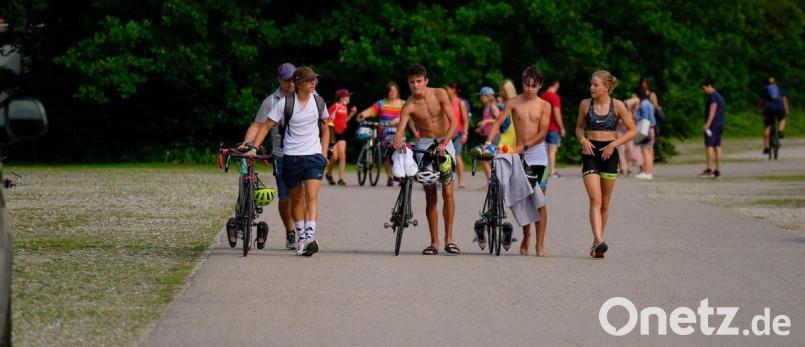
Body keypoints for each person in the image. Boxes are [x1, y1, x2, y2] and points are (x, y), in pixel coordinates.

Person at [258, 66, 330, 256]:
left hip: (314, 156)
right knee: (296, 198)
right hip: (291, 156)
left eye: (315, 79)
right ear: (299, 83)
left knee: (311, 197)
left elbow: (326, 128)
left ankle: (310, 238)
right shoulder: (285, 103)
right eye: (309, 80)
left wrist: (323, 154)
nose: (313, 83)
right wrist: (253, 146)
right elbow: (266, 126)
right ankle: (301, 237)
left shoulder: (319, 101)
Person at [393, 64, 460, 255]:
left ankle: (449, 239)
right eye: (412, 82)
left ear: (426, 81)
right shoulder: (409, 105)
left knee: (448, 193)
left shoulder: (439, 94)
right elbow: (401, 130)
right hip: (424, 146)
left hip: (444, 143)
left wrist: (444, 142)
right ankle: (434, 242)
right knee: (430, 196)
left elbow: (454, 122)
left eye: (419, 81)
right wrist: (398, 139)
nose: (415, 85)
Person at [486, 66, 551, 257]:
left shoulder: (545, 105)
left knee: (539, 201)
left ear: (539, 85)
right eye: (526, 84)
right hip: (519, 155)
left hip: (538, 156)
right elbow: (498, 123)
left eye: (533, 85)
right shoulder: (514, 102)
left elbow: (543, 133)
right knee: (523, 198)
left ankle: (540, 244)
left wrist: (524, 147)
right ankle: (526, 235)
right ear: (522, 82)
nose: (529, 88)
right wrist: (488, 143)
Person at [575, 70, 636, 258]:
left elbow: (632, 130)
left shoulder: (617, 106)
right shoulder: (585, 104)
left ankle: (596, 244)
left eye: (595, 85)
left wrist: (614, 144)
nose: (591, 88)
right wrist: (583, 140)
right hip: (590, 153)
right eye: (591, 84)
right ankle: (600, 240)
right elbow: (578, 128)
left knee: (605, 203)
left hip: (610, 153)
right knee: (595, 199)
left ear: (606, 87)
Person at [240, 62, 297, 250]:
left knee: (302, 196)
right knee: (285, 197)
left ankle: (305, 232)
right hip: (281, 155)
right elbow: (258, 125)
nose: (290, 84)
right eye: (286, 80)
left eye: (292, 79)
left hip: (304, 153)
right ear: (279, 80)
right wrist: (248, 144)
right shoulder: (271, 101)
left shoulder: (308, 96)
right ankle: (290, 233)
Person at [357, 82, 405, 186]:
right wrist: (362, 115)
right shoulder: (381, 103)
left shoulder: (403, 104)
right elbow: (370, 111)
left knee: (399, 153)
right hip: (384, 133)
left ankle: (400, 175)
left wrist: (398, 120)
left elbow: (410, 116)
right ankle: (390, 176)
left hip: (399, 133)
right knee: (386, 154)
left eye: (394, 90)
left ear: (398, 92)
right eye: (390, 91)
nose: (392, 93)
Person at [325, 89, 357, 186]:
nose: (349, 98)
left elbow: (344, 121)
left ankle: (341, 178)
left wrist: (351, 114)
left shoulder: (345, 107)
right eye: (347, 96)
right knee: (334, 157)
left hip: (341, 133)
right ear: (342, 97)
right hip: (333, 133)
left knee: (342, 155)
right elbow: (328, 119)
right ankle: (329, 174)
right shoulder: (335, 106)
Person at [540, 78, 566, 178]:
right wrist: (562, 127)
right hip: (553, 128)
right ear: (556, 84)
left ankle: (544, 171)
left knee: (544, 150)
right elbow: (556, 113)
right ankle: (552, 172)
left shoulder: (542, 96)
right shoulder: (554, 96)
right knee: (552, 151)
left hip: (543, 127)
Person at [445, 82, 469, 189]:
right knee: (445, 157)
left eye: (447, 89)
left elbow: (465, 119)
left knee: (457, 156)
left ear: (453, 89)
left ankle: (461, 180)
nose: (445, 92)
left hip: (458, 133)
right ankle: (446, 178)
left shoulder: (460, 102)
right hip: (446, 133)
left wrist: (465, 133)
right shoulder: (445, 102)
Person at [699, 80, 725, 179]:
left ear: (710, 86)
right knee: (717, 147)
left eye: (704, 88)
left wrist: (707, 124)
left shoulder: (713, 96)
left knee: (709, 146)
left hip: (713, 125)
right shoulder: (719, 96)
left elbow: (713, 109)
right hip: (720, 123)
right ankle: (717, 171)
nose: (704, 90)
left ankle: (709, 169)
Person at [474, 86, 499, 181]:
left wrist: (486, 121)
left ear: (487, 96)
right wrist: (481, 128)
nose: (480, 98)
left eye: (482, 96)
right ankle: (491, 182)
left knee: (484, 159)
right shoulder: (486, 107)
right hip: (487, 136)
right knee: (484, 159)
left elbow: (499, 119)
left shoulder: (493, 106)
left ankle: (492, 182)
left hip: (494, 136)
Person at [759, 76, 789, 154]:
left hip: (769, 109)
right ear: (776, 83)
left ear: (767, 84)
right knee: (782, 119)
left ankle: (766, 148)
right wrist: (786, 110)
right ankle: (780, 131)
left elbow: (761, 102)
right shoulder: (780, 89)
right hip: (779, 108)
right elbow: (784, 100)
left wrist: (759, 109)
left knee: (767, 127)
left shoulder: (765, 90)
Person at [633, 88, 657, 180]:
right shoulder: (649, 103)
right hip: (651, 128)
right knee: (649, 151)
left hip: (646, 129)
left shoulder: (643, 104)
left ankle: (647, 172)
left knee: (645, 151)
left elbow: (645, 118)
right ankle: (648, 172)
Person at [618, 96, 643, 176]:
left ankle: (626, 169)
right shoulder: (628, 111)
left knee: (627, 152)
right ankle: (625, 168)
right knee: (623, 152)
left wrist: (627, 102)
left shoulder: (627, 111)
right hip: (622, 135)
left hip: (625, 135)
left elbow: (636, 99)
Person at [497, 80, 518, 149]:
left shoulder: (515, 101)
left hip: (513, 128)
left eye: (505, 90)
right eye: (502, 90)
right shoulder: (499, 102)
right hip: (503, 130)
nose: (503, 93)